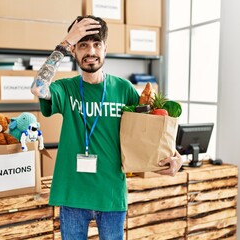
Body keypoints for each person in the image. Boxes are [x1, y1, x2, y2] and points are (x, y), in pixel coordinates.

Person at [30, 15, 183, 240]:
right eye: (83, 44)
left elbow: (151, 132)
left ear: (105, 49)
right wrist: (65, 43)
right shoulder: (66, 88)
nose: (90, 51)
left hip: (111, 192)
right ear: (74, 51)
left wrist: (175, 156)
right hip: (73, 193)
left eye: (96, 44)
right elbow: (38, 88)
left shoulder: (124, 89)